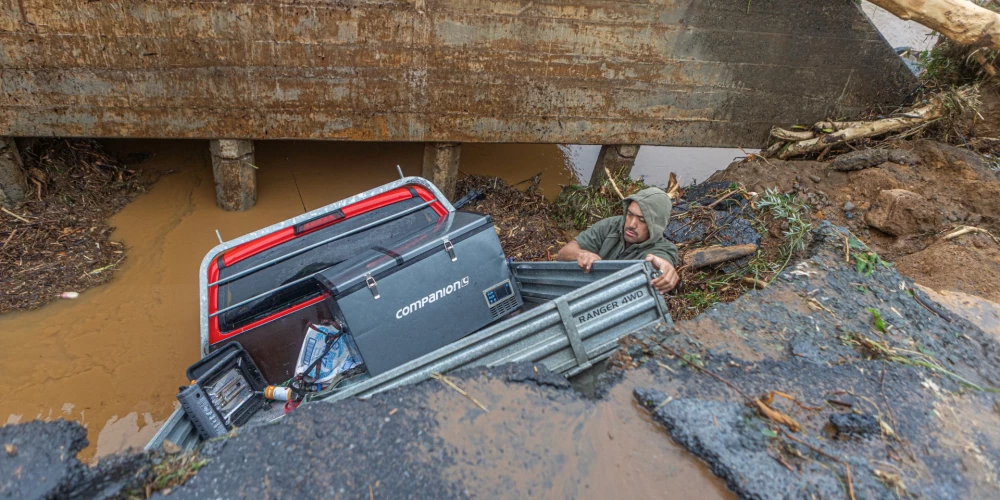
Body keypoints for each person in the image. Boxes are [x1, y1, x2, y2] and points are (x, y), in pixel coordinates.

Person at [556, 187, 680, 294]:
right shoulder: (612, 225)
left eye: (642, 220)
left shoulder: (664, 248)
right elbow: (563, 253)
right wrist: (582, 255)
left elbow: (664, 262)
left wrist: (665, 269)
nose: (631, 224)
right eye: (630, 214)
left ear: (656, 226)